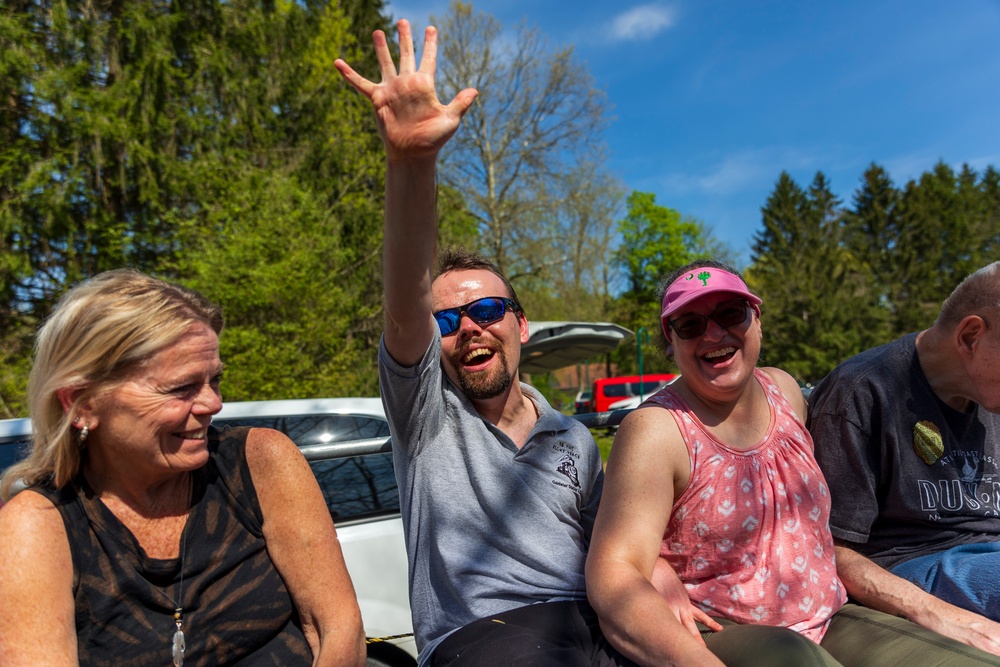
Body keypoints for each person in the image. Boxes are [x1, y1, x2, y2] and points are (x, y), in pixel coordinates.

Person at [335, 20, 633, 667]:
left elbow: (617, 558)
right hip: (485, 638)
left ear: (519, 325)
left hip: (593, 626)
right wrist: (412, 164)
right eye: (448, 319)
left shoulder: (573, 438)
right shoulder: (425, 418)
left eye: (488, 309)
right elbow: (404, 307)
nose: (469, 327)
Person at [586, 259, 1000, 666]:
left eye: (730, 313)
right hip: (725, 625)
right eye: (690, 324)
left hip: (831, 613)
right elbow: (615, 572)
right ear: (670, 340)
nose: (714, 333)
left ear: (758, 321)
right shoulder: (657, 430)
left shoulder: (783, 390)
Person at [0, 269, 366, 667]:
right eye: (181, 388)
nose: (213, 404)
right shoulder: (36, 526)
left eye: (215, 380)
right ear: (82, 403)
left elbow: (338, 630)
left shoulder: (259, 462)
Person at [808, 260, 1000, 656]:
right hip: (912, 563)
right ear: (970, 337)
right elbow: (829, 549)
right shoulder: (861, 392)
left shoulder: (989, 396)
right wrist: (935, 612)